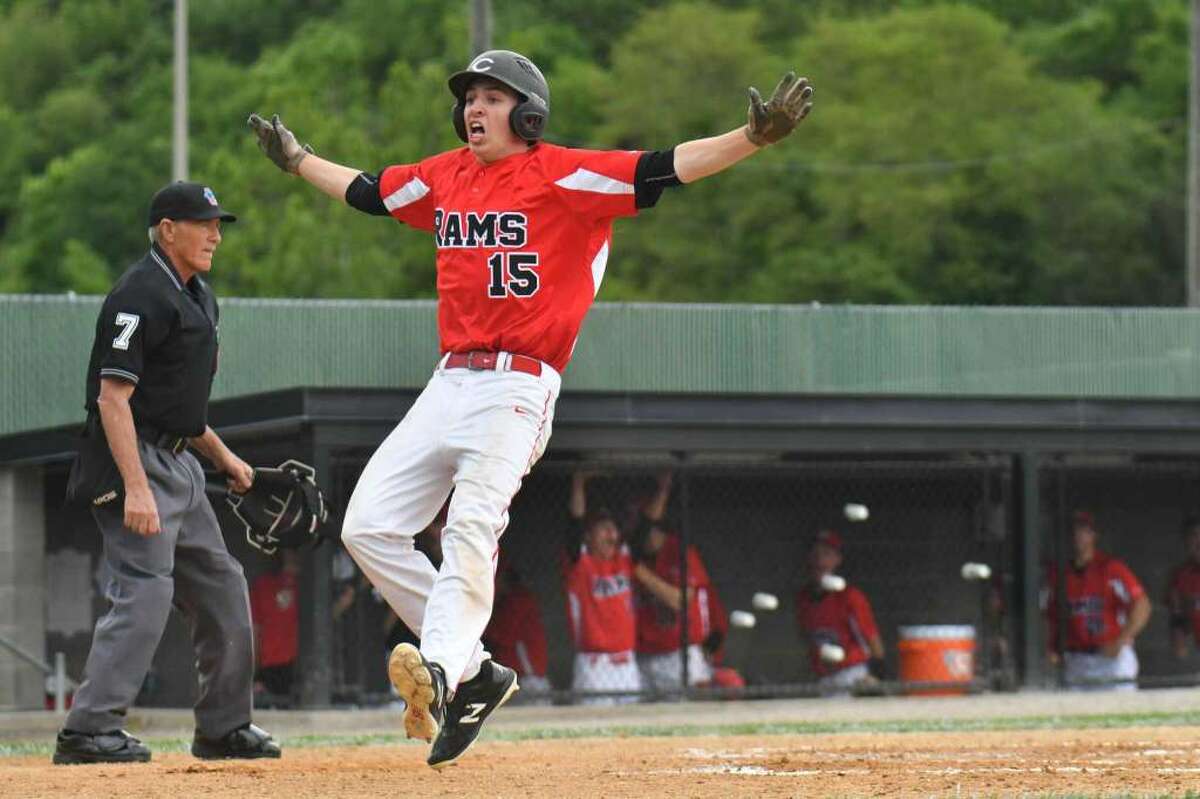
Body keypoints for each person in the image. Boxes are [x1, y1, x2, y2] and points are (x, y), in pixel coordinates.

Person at [249, 50, 812, 768]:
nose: (474, 109)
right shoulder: (445, 175)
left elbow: (664, 167)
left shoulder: (561, 172)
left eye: (491, 96)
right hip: (449, 377)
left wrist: (751, 139)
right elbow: (367, 191)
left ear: (528, 113)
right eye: (469, 98)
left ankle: (446, 669)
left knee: (472, 525)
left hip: (518, 384)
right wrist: (298, 159)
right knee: (368, 524)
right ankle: (475, 668)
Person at [54, 182, 280, 764]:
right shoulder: (140, 293)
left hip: (178, 460)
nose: (215, 234)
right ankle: (88, 730)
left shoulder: (199, 295)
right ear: (166, 229)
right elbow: (113, 400)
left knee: (222, 584)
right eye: (202, 223)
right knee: (145, 591)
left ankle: (224, 728)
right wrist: (135, 487)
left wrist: (225, 459)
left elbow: (175, 406)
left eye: (217, 223)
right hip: (131, 459)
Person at [630, 472, 722, 692]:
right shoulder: (634, 556)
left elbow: (680, 600)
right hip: (645, 655)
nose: (633, 531)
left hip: (679, 655)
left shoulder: (679, 552)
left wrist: (639, 573)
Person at [1044, 510, 1151, 691]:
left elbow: (1142, 605)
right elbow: (1049, 616)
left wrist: (1121, 640)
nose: (1077, 536)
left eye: (1083, 530)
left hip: (1111, 660)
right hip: (1076, 660)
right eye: (1074, 531)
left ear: (1094, 535)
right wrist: (1050, 648)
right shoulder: (1057, 574)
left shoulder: (1110, 568)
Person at [563, 471, 641, 704]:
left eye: (613, 529)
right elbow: (574, 528)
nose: (612, 535)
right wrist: (578, 485)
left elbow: (641, 527)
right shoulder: (580, 565)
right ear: (589, 536)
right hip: (594, 665)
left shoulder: (623, 560)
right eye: (604, 529)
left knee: (632, 730)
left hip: (626, 662)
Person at [795, 529, 885, 696]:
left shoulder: (849, 596)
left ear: (837, 560)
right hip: (823, 676)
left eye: (827, 554)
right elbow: (806, 638)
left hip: (853, 673)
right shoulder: (803, 599)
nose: (820, 561)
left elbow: (873, 641)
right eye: (815, 554)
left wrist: (876, 675)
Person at [483, 559, 551, 699]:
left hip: (529, 676)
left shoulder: (518, 600)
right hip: (516, 676)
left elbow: (501, 636)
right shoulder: (505, 602)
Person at [249, 550, 301, 705]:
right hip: (272, 664)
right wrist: (255, 673)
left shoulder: (307, 584)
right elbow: (255, 630)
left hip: (296, 663)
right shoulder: (263, 585)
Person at [1167, 516, 1200, 660]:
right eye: (1193, 536)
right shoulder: (1180, 576)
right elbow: (1178, 615)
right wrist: (1179, 637)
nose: (1199, 541)